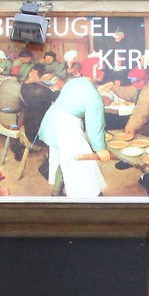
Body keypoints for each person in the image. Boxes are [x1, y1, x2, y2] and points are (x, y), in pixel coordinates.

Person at [36, 56, 110, 197]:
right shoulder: (93, 95)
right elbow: (95, 125)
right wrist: (100, 149)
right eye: (101, 70)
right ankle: (92, 198)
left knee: (64, 160)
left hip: (53, 120)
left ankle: (56, 193)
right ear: (95, 72)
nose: (104, 73)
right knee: (83, 165)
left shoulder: (73, 82)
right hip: (67, 127)